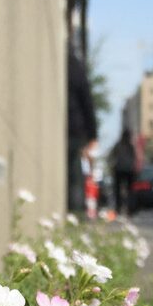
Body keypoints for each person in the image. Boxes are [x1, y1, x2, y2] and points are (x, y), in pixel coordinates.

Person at [67, 45, 98, 214]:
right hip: (74, 129)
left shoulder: (69, 65)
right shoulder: (75, 65)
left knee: (73, 175)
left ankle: (75, 213)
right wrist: (92, 135)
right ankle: (76, 214)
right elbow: (87, 101)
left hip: (70, 128)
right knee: (74, 177)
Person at [111, 129, 137, 215]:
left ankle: (120, 208)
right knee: (130, 191)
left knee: (120, 190)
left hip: (120, 169)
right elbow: (134, 158)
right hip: (127, 170)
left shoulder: (119, 145)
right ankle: (129, 208)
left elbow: (113, 156)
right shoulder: (130, 146)